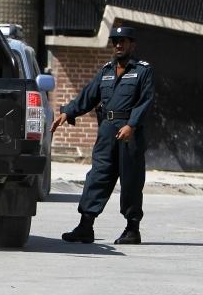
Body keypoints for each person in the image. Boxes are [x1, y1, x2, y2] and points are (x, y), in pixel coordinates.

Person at [50, 26, 154, 245]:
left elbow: (145, 101)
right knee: (97, 176)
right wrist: (67, 111)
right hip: (107, 130)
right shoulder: (106, 71)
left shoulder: (143, 71)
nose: (118, 45)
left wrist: (132, 125)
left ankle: (132, 229)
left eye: (123, 41)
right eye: (115, 41)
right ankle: (85, 226)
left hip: (129, 132)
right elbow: (88, 96)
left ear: (132, 45)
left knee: (131, 180)